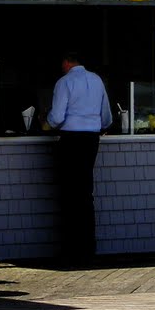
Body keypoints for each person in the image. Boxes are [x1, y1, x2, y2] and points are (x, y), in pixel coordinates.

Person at [46, 51, 112, 265]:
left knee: (69, 193)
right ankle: (88, 246)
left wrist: (44, 119)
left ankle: (71, 248)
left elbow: (56, 117)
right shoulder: (96, 80)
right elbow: (106, 117)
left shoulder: (64, 82)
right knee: (85, 192)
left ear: (66, 61)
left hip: (71, 138)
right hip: (91, 138)